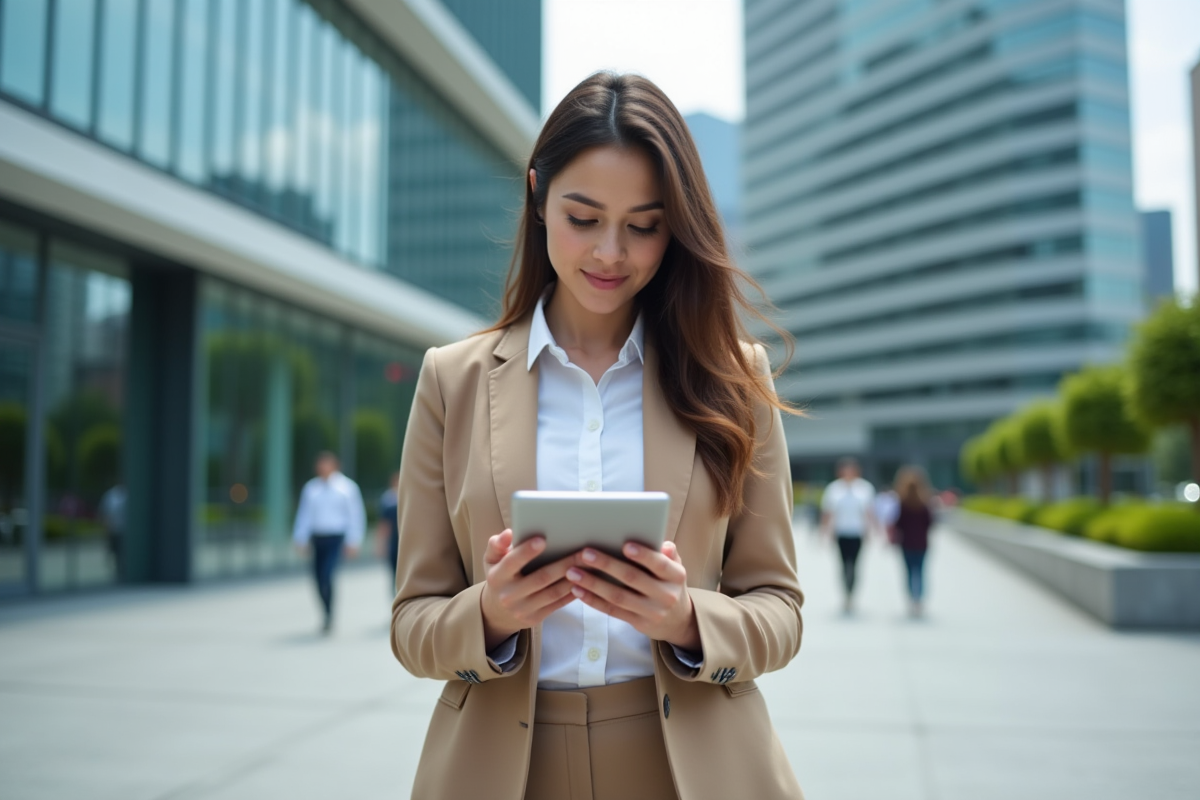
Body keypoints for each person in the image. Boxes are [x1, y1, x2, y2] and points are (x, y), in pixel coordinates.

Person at [391, 73, 806, 800]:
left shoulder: (734, 378)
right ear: (538, 198)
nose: (611, 253)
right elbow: (411, 623)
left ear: (675, 225)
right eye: (583, 218)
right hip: (502, 769)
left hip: (689, 765)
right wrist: (489, 614)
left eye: (643, 225)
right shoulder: (451, 381)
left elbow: (779, 609)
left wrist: (686, 620)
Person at [293, 452, 365, 633]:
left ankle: (330, 613)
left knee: (327, 574)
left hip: (336, 538)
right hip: (318, 538)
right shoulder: (311, 489)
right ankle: (325, 611)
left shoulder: (347, 488)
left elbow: (355, 515)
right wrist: (300, 538)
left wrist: (353, 540)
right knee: (317, 578)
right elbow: (304, 515)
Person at [820, 458, 875, 613]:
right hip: (841, 533)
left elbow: (869, 512)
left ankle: (852, 593)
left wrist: (871, 531)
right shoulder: (834, 489)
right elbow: (828, 513)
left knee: (855, 564)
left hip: (857, 533)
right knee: (844, 564)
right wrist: (824, 532)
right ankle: (845, 593)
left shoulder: (864, 488)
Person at [892, 466, 935, 617]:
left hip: (906, 543)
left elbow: (897, 524)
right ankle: (919, 600)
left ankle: (912, 599)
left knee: (909, 572)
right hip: (922, 543)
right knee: (921, 572)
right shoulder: (924, 503)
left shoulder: (903, 503)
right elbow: (930, 523)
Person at [375, 471, 400, 591]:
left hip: (407, 541)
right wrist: (381, 544)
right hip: (394, 541)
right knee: (394, 570)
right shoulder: (388, 499)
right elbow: (384, 523)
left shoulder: (412, 496)